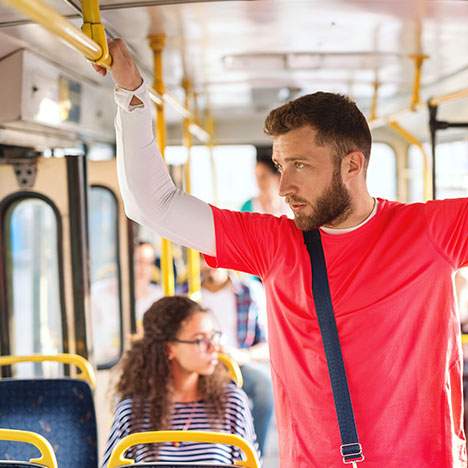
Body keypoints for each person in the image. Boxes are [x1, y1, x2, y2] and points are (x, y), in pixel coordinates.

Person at [94, 39, 468, 467]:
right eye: (280, 164)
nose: (284, 185)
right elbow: (153, 205)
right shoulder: (274, 244)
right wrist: (132, 93)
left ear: (353, 165)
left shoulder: (429, 231)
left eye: (300, 166)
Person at [101, 296, 258, 467]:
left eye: (213, 337)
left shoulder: (231, 403)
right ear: (169, 349)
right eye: (200, 340)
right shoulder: (132, 411)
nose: (214, 348)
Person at [200, 261, 274, 455]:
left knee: (265, 386)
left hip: (238, 363)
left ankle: (254, 455)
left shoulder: (249, 291)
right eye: (203, 257)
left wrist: (243, 355)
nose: (209, 262)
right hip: (199, 363)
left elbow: (269, 345)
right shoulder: (189, 292)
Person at [134, 241, 162, 325]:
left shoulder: (159, 296)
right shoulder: (100, 293)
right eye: (139, 261)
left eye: (149, 263)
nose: (144, 268)